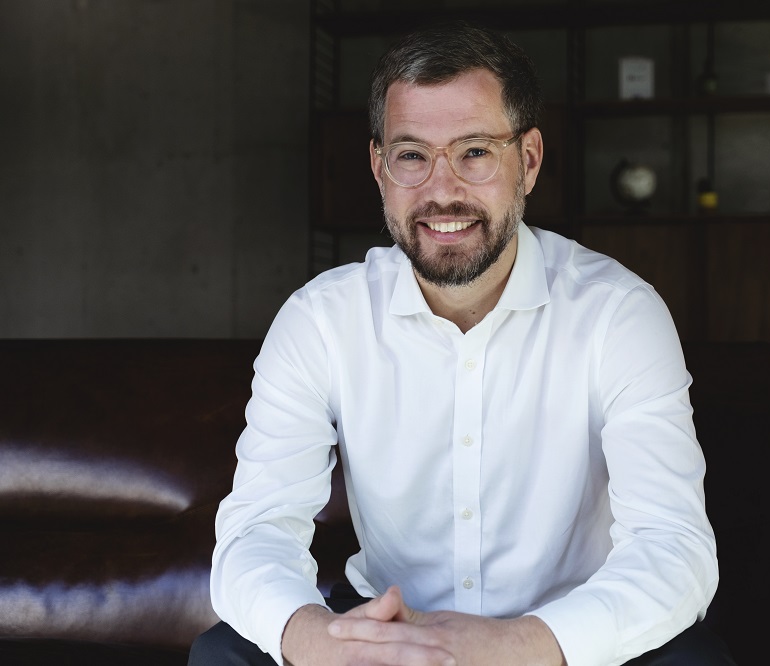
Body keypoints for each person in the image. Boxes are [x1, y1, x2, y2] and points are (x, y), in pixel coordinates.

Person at [190, 21, 734, 666]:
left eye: (475, 151)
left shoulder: (619, 314)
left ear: (527, 161)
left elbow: (674, 544)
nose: (442, 190)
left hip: (566, 639)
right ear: (379, 166)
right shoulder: (320, 320)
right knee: (224, 656)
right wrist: (317, 642)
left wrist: (527, 644)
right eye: (412, 154)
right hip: (389, 637)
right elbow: (256, 530)